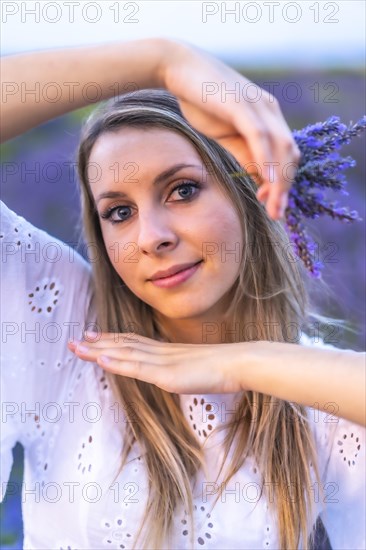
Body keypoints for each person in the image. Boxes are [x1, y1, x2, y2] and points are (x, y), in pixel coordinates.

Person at [0, 38, 364, 550]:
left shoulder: (318, 401)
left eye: (183, 190)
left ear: (250, 193)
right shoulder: (69, 334)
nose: (152, 237)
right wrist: (160, 60)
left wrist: (239, 364)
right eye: (119, 212)